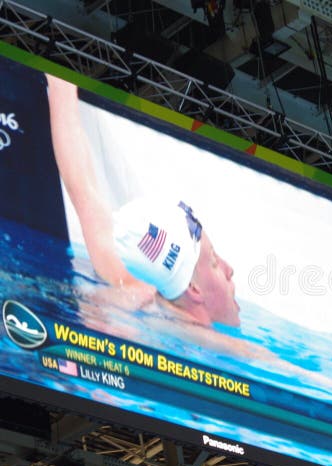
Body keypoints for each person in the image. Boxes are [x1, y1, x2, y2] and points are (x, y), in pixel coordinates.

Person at [46, 74, 240, 328]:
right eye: (214, 263)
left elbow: (84, 189)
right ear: (193, 288)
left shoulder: (130, 288)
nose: (230, 270)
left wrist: (61, 80)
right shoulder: (141, 299)